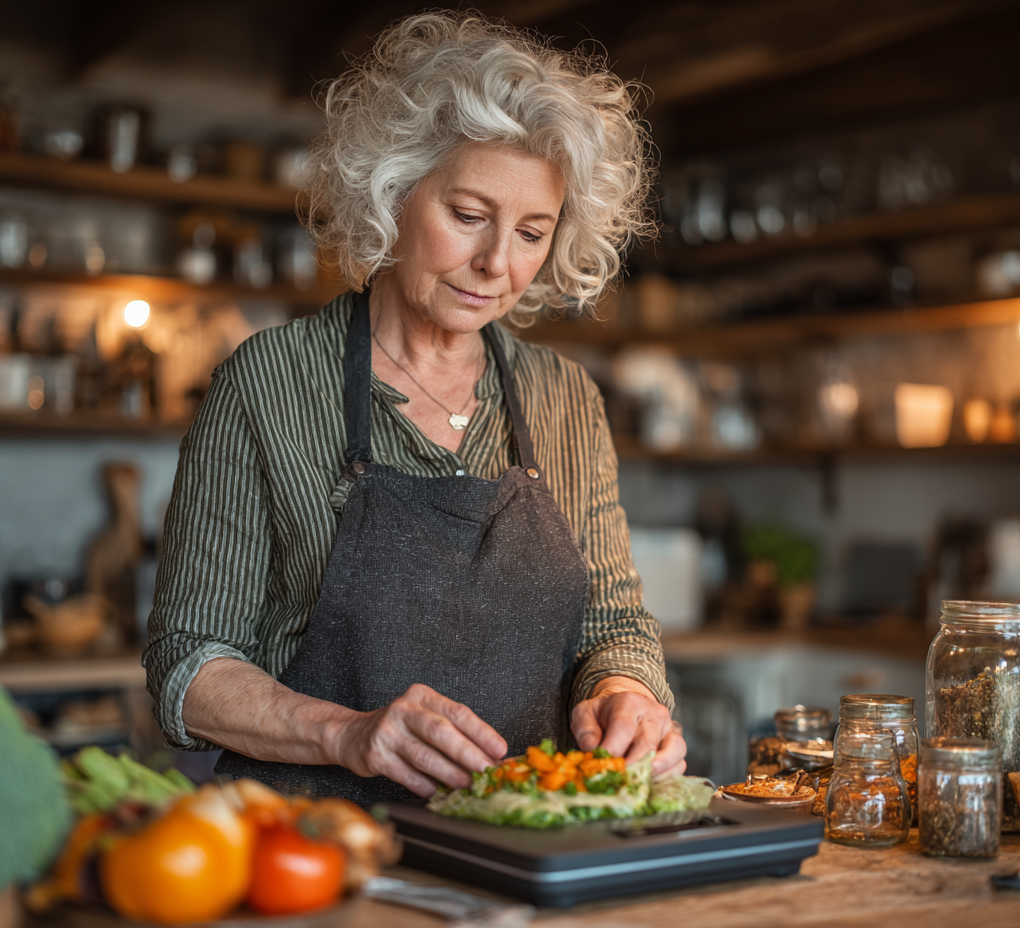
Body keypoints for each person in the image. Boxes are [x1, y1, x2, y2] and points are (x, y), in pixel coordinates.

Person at [145, 11, 686, 806]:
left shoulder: (565, 400)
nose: (497, 264)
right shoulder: (270, 382)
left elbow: (614, 629)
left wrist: (625, 694)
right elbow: (187, 665)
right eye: (468, 216)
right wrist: (348, 733)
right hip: (316, 845)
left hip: (519, 844)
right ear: (394, 190)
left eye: (532, 232)